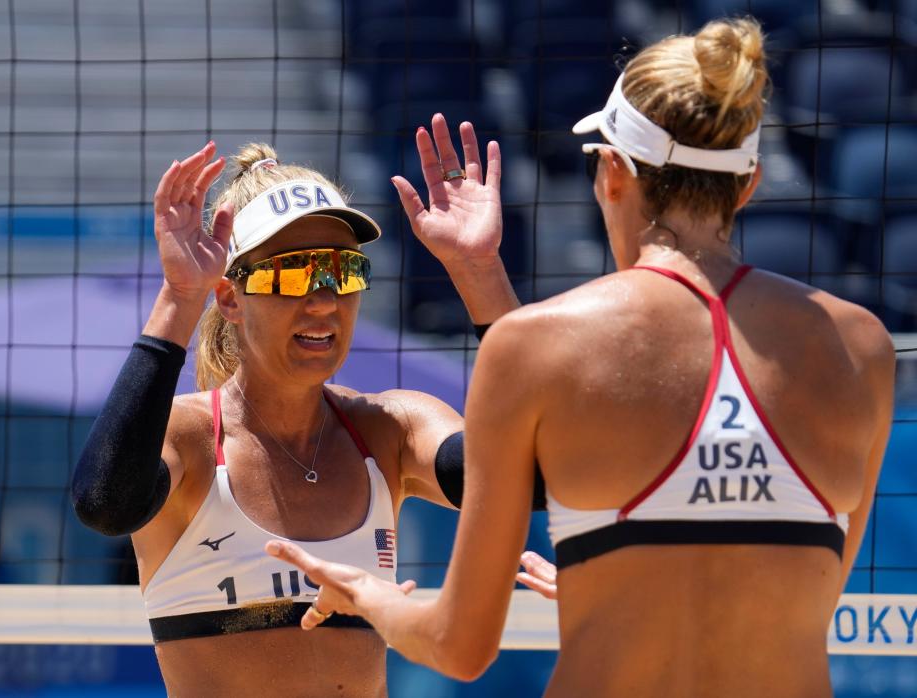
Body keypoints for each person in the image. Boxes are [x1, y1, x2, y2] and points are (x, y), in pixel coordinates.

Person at [267, 18, 896, 697]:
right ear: (748, 186)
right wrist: (628, 586)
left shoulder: (537, 344)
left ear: (613, 172)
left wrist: (367, 594)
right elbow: (799, 601)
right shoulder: (861, 348)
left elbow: (459, 646)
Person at [71, 117, 547, 696]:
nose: (325, 300)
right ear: (230, 298)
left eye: (344, 271)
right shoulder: (191, 436)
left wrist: (479, 272)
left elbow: (539, 474)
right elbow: (104, 505)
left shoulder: (391, 429)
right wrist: (179, 297)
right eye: (294, 273)